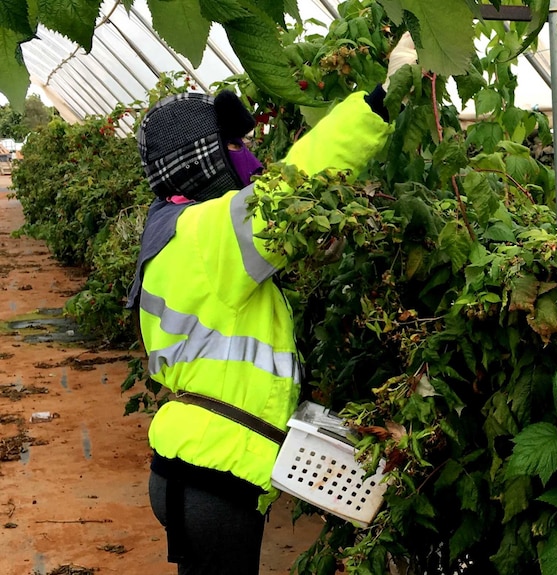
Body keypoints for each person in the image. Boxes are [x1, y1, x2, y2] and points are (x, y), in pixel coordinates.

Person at [126, 34, 417, 575]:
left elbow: (234, 312)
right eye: (233, 146)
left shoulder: (170, 230)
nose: (249, 156)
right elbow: (296, 184)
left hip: (185, 465)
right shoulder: (206, 233)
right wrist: (379, 99)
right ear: (204, 161)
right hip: (216, 473)